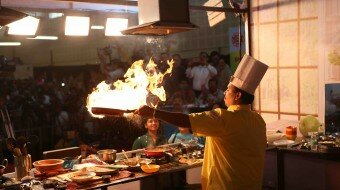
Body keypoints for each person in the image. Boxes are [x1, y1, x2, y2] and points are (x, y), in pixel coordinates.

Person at [134, 54, 269, 190]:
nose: (224, 93)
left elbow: (186, 120)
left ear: (238, 95)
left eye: (228, 90)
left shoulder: (224, 117)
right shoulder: (258, 120)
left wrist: (153, 112)